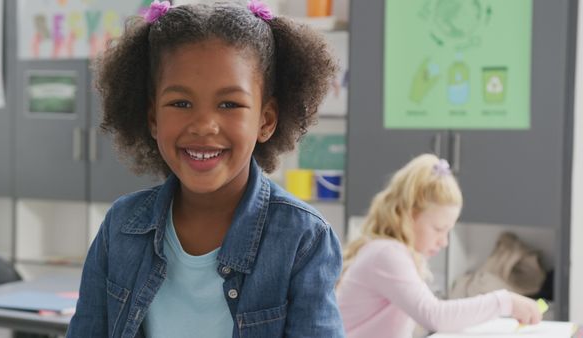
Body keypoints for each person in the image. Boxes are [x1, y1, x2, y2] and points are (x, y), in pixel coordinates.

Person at [66, 1, 344, 337]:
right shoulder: (121, 226)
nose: (204, 126)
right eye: (180, 103)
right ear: (153, 118)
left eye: (229, 104)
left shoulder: (303, 239)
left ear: (266, 120)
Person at [336, 154, 542, 338]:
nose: (444, 242)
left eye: (448, 231)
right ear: (409, 216)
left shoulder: (387, 251)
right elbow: (434, 315)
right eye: (438, 228)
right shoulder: (386, 254)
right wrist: (505, 302)